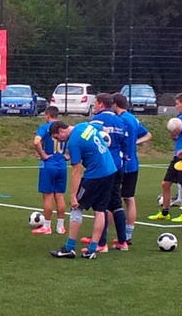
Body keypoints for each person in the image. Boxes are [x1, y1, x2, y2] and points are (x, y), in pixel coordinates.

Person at [48, 120, 118, 260]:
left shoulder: (73, 142)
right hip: (110, 170)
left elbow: (76, 171)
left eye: (57, 137)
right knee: (100, 210)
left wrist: (73, 195)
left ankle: (69, 248)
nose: (58, 140)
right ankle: (92, 250)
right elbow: (103, 127)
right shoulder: (84, 125)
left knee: (76, 207)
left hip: (95, 175)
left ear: (61, 131)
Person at [86, 93, 128, 252]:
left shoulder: (98, 120)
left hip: (104, 166)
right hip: (118, 164)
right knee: (116, 201)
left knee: (101, 204)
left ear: (101, 104)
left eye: (95, 103)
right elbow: (125, 142)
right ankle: (122, 242)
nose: (94, 106)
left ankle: (101, 244)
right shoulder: (120, 121)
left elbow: (90, 140)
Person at [148, 94, 182, 223]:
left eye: (178, 103)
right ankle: (165, 212)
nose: (176, 106)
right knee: (165, 183)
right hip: (177, 155)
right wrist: (173, 135)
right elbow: (176, 138)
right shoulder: (179, 118)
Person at [112, 93, 151, 244]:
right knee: (129, 199)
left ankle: (102, 234)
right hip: (133, 163)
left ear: (115, 104)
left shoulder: (119, 120)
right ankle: (128, 234)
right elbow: (148, 135)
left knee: (112, 198)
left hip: (122, 164)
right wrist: (134, 143)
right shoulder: (133, 118)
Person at [32, 106, 67, 235]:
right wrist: (68, 156)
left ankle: (47, 226)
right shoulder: (64, 128)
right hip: (62, 165)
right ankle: (60, 227)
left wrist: (43, 155)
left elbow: (36, 142)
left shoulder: (45, 128)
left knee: (47, 196)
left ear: (47, 115)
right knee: (60, 196)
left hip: (48, 165)